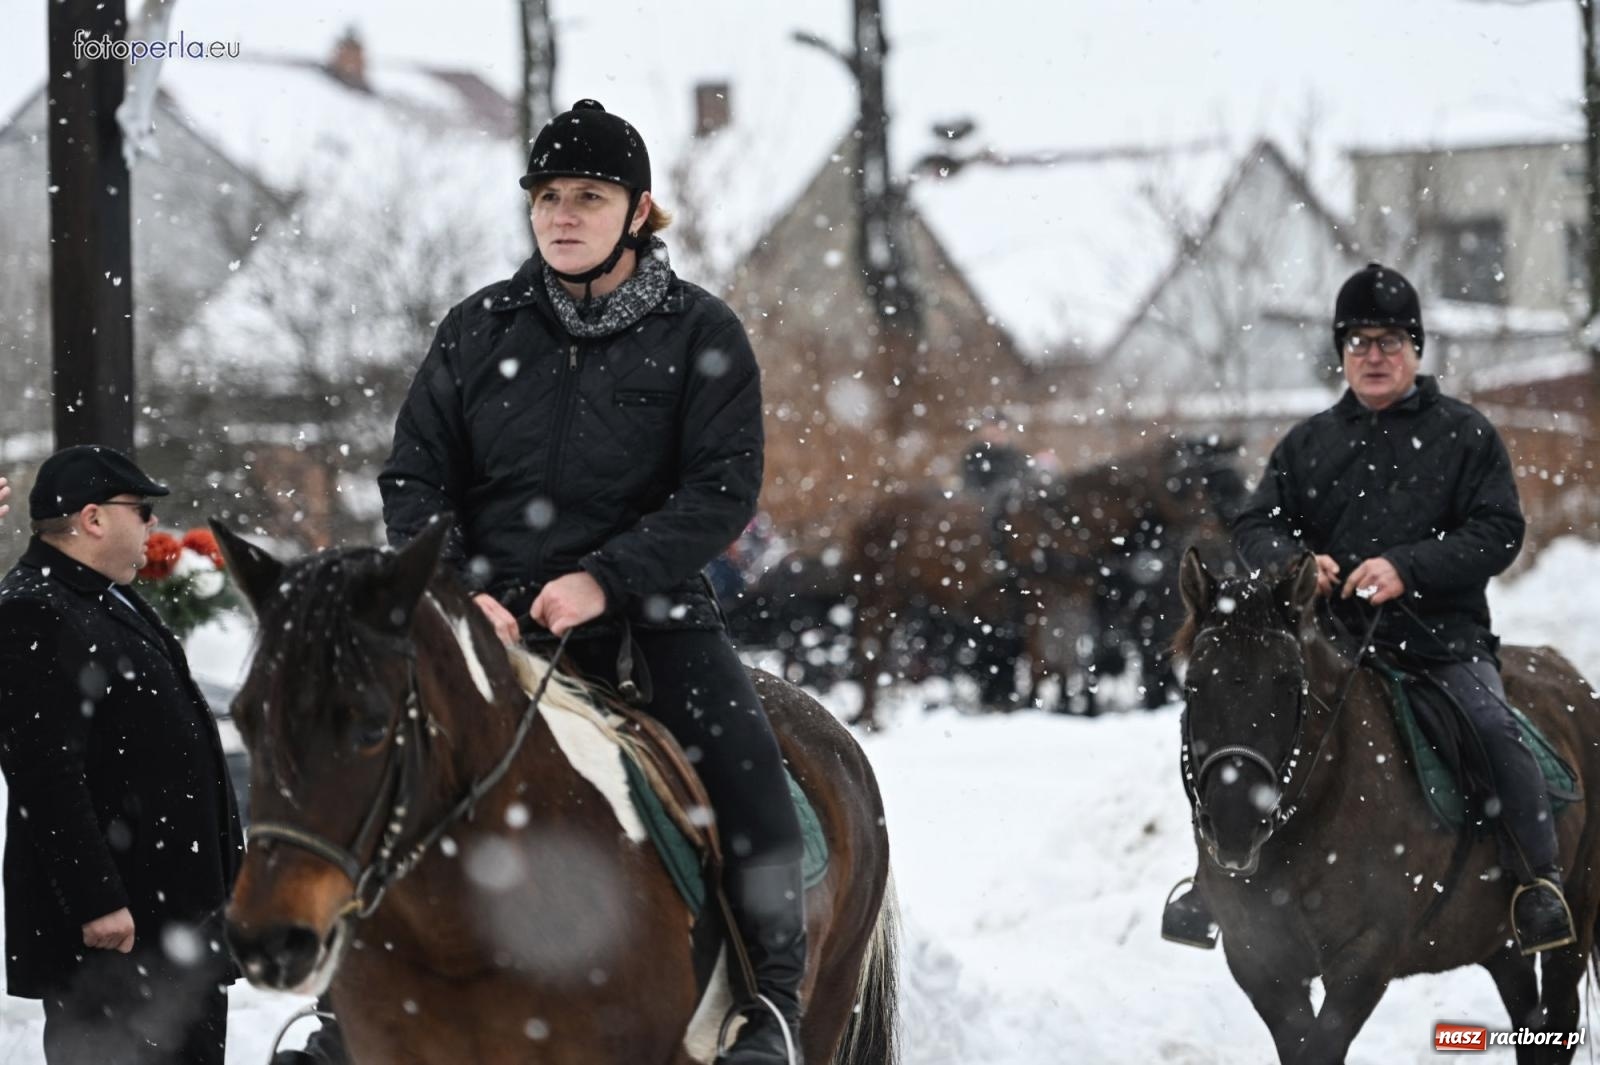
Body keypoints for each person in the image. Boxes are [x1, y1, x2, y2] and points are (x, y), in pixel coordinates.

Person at [378, 99, 806, 1064]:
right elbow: (413, 478)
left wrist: (606, 580)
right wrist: (459, 591)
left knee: (749, 783)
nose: (563, 214)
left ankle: (772, 1002)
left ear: (639, 209)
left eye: (590, 196)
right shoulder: (474, 329)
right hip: (488, 621)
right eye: (547, 197)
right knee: (372, 771)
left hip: (653, 617)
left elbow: (720, 493)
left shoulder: (704, 331)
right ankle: (345, 1009)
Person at [1162, 262, 1569, 955]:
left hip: (1442, 643)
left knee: (1495, 728)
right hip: (1331, 641)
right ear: (1342, 353)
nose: (1373, 356)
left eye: (1388, 341)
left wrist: (1409, 567)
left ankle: (1539, 883)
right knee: (1230, 722)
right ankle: (1213, 883)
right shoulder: (1308, 442)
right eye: (1358, 343)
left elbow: (1499, 530)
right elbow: (1256, 522)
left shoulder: (1465, 435)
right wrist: (1295, 560)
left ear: (1415, 349)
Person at [0, 445, 243, 1064]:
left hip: (172, 925)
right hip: (117, 940)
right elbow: (43, 771)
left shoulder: (104, 594)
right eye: (140, 509)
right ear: (93, 519)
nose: (152, 524)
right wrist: (96, 900)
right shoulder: (33, 608)